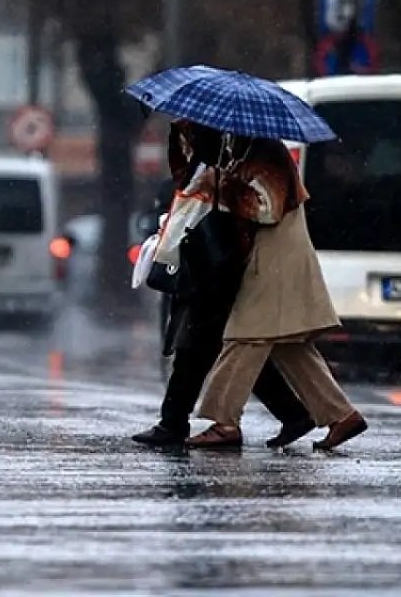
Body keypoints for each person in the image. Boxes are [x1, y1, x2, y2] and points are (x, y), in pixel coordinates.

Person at [132, 121, 315, 448]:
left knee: (200, 347)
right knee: (219, 349)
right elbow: (184, 182)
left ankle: (175, 422)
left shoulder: (258, 154)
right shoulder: (217, 153)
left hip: (220, 263)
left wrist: (225, 183)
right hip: (201, 259)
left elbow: (264, 209)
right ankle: (291, 413)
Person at [184, 132, 367, 450]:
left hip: (275, 257)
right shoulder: (248, 151)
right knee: (288, 342)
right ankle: (342, 415)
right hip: (273, 255)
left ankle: (224, 422)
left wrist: (222, 185)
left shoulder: (267, 154)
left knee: (245, 335)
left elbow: (267, 209)